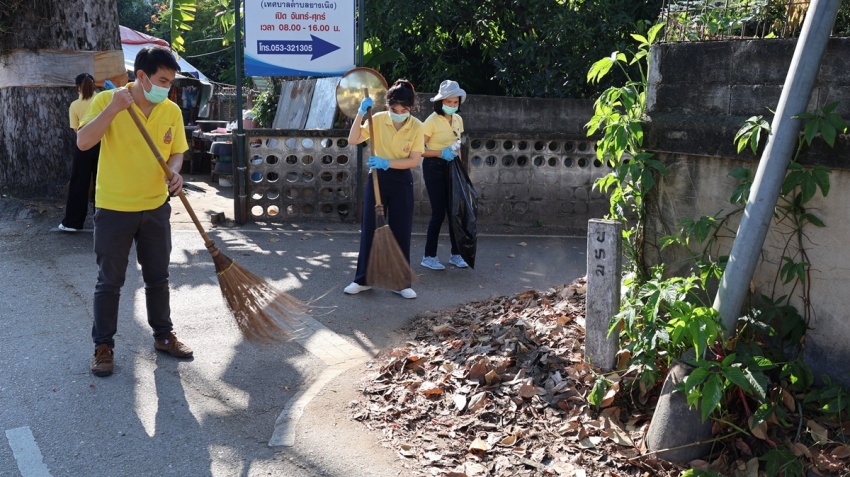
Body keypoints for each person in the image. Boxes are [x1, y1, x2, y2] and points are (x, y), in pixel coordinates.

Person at [76, 46, 192, 377]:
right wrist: (113, 108)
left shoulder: (171, 110)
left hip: (155, 206)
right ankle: (103, 347)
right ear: (141, 76)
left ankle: (163, 335)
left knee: (158, 277)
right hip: (114, 208)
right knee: (109, 282)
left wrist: (175, 172)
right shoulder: (107, 101)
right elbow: (83, 141)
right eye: (162, 80)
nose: (167, 87)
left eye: (170, 82)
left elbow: (177, 153)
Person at [344, 79, 424, 299]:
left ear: (411, 108)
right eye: (394, 109)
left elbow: (413, 161)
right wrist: (360, 113)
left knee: (401, 230)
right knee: (370, 228)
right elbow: (353, 139)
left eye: (404, 110)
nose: (399, 114)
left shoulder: (417, 126)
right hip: (377, 179)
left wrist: (387, 162)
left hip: (402, 180)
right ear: (388, 106)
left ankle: (401, 283)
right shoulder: (377, 119)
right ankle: (362, 280)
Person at [419, 80, 469, 270]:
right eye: (448, 102)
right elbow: (419, 149)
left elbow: (458, 146)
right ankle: (429, 256)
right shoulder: (431, 121)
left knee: (455, 211)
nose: (452, 105)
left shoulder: (458, 120)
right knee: (439, 212)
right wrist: (440, 153)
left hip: (452, 166)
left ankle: (456, 254)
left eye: (455, 102)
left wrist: (460, 169)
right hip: (434, 166)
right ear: (440, 102)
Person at [59, 73, 100, 232]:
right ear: (94, 85)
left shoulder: (75, 105)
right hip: (104, 145)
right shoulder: (103, 100)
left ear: (78, 87)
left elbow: (77, 130)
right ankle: (102, 222)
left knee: (79, 183)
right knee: (102, 183)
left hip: (84, 145)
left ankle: (73, 223)